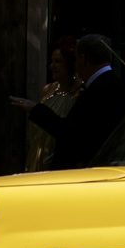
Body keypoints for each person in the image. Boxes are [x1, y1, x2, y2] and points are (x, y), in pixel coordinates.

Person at [12, 33, 125, 170]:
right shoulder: (106, 84)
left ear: (83, 59)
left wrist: (36, 109)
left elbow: (73, 134)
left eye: (75, 59)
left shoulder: (101, 89)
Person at [25, 36, 80, 171]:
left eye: (58, 61)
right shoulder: (48, 90)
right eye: (52, 61)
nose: (52, 66)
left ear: (70, 63)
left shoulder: (78, 93)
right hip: (38, 151)